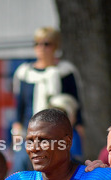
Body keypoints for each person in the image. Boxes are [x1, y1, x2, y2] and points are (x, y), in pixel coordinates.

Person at [11, 27, 84, 172]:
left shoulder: (66, 71)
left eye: (46, 43)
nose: (41, 48)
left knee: (73, 166)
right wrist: (18, 132)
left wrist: (79, 134)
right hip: (30, 133)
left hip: (61, 131)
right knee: (20, 167)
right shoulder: (24, 73)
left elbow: (76, 108)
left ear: (56, 46)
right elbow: (20, 108)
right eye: (37, 43)